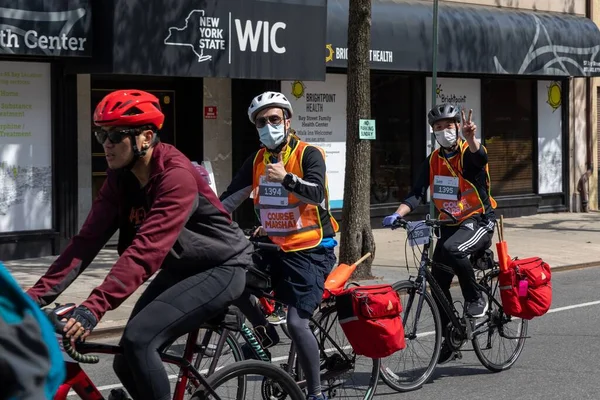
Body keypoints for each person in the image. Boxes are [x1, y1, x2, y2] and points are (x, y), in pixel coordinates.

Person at [26, 89, 252, 400]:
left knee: (139, 341)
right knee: (124, 362)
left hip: (221, 267)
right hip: (181, 268)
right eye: (100, 134)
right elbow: (85, 242)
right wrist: (31, 298)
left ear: (145, 137)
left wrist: (94, 307)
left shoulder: (176, 177)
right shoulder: (120, 179)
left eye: (115, 135)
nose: (105, 143)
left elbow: (146, 251)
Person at [220, 91, 339, 400]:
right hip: (274, 247)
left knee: (297, 322)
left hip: (312, 249)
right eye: (261, 121)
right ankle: (264, 332)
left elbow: (316, 193)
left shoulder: (308, 153)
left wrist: (287, 178)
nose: (268, 125)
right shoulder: (257, 160)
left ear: (288, 121)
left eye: (274, 119)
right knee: (234, 279)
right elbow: (229, 198)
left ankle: (315, 393)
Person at [382, 103, 497, 364]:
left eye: (448, 125)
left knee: (451, 249)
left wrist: (471, 139)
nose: (443, 131)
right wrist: (398, 214)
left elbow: (479, 162)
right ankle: (451, 336)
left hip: (478, 221)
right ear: (433, 131)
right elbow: (416, 193)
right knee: (438, 282)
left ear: (457, 126)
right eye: (438, 127)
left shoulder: (469, 152)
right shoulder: (433, 160)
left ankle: (475, 298)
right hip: (448, 225)